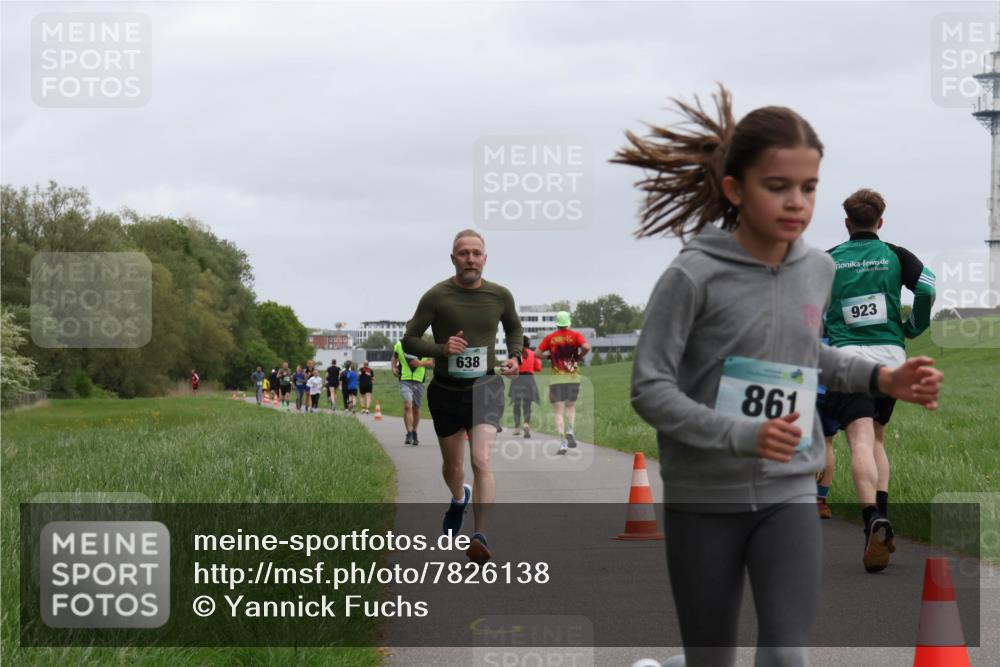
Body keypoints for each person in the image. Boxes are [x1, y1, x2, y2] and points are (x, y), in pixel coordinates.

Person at [613, 86, 943, 667]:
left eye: (809, 188)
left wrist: (882, 378)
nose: (797, 202)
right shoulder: (693, 275)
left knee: (788, 653)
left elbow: (810, 355)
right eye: (778, 186)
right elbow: (649, 387)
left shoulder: (816, 268)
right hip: (705, 493)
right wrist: (740, 434)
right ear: (735, 189)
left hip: (788, 485)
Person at [822, 188, 936, 572]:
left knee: (858, 440)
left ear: (847, 223)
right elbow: (928, 286)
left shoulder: (828, 261)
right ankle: (883, 516)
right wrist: (914, 326)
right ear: (880, 222)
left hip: (847, 359)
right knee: (878, 438)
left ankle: (872, 520)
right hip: (890, 357)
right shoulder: (895, 255)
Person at [402, 229, 522, 565]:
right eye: (463, 253)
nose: (470, 259)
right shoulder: (436, 296)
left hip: (485, 387)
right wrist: (442, 348)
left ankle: (480, 535)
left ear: (485, 258)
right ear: (453, 258)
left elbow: (514, 327)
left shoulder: (500, 295)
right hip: (445, 390)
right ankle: (459, 497)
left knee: (481, 460)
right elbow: (409, 339)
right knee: (453, 467)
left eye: (476, 253)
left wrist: (514, 355)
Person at [537, 312, 590, 454]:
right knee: (571, 407)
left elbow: (536, 353)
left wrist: (548, 356)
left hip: (556, 379)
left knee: (558, 412)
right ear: (569, 322)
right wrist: (579, 356)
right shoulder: (576, 335)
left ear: (557, 323)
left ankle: (562, 443)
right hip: (573, 377)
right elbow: (586, 347)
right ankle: (570, 430)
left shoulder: (550, 338)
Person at [392, 339, 434, 445]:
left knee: (416, 408)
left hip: (419, 380)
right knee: (407, 405)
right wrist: (393, 367)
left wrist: (420, 363)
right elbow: (394, 357)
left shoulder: (425, 346)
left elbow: (431, 362)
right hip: (404, 379)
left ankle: (414, 431)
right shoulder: (400, 344)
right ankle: (409, 432)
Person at [510, 335, 541, 438]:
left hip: (517, 380)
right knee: (527, 405)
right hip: (529, 380)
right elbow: (539, 368)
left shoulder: (514, 355)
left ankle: (517, 428)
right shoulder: (533, 354)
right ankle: (526, 424)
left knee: (516, 404)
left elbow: (510, 367)